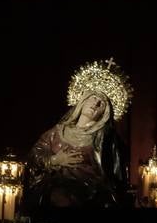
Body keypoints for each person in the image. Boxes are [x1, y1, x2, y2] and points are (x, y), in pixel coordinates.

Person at [25, 59, 132, 209]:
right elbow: (34, 157)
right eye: (93, 98)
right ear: (83, 101)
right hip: (53, 192)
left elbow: (114, 173)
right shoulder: (58, 131)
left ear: (105, 113)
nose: (95, 104)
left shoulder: (105, 138)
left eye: (102, 103)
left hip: (91, 194)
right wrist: (55, 160)